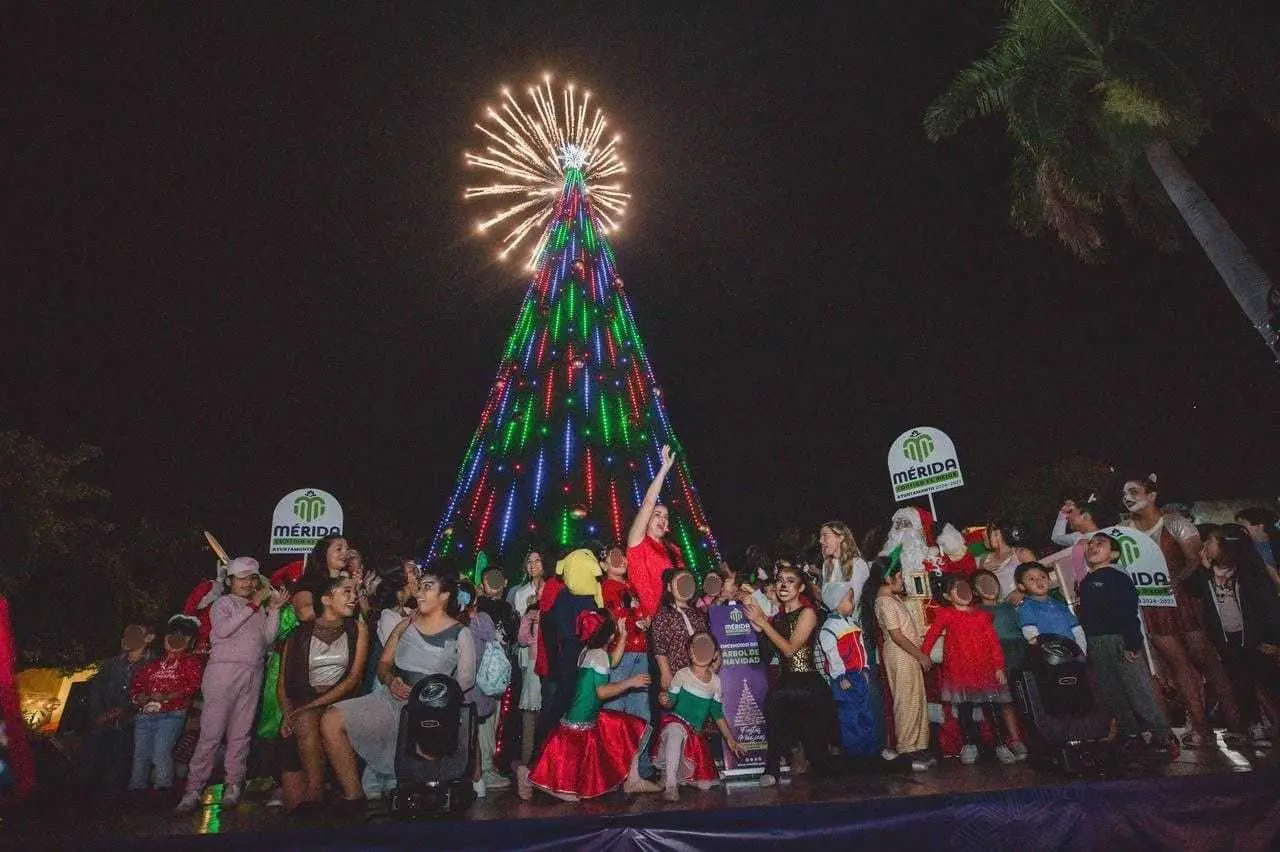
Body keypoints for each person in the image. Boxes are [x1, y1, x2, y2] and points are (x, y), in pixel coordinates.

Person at [321, 560, 476, 812]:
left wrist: (429, 695)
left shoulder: (460, 633)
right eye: (420, 586)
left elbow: (466, 680)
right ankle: (353, 796)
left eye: (427, 587)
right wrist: (391, 680)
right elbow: (384, 665)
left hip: (431, 712)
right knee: (331, 720)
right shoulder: (405, 625)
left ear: (445, 595)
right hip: (391, 699)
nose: (419, 592)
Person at [1121, 474, 1240, 747]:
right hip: (1153, 605)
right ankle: (1200, 728)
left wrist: (1173, 581)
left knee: (1206, 660)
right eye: (1125, 493)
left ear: (1151, 495)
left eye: (1134, 491)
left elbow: (1196, 562)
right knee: (1178, 666)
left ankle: (1237, 724)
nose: (1127, 497)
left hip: (1185, 602)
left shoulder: (1175, 523)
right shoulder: (1125, 530)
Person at [177, 557, 286, 813]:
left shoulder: (258, 609)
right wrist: (253, 605)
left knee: (241, 734)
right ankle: (193, 789)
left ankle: (234, 784)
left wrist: (275, 609)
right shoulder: (222, 604)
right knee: (211, 734)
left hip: (253, 671)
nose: (248, 583)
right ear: (230, 581)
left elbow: (268, 639)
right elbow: (224, 630)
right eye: (242, 578)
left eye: (252, 578)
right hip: (223, 671)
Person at [522, 609, 662, 801]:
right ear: (609, 634)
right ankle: (527, 778)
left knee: (628, 726)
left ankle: (634, 778)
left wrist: (623, 638)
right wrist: (631, 682)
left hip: (587, 719)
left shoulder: (589, 652)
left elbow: (613, 661)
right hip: (579, 725)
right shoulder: (598, 656)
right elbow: (602, 692)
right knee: (566, 789)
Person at [278, 576, 369, 811]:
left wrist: (310, 707)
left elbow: (353, 679)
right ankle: (314, 792)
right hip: (304, 702)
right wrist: (289, 714)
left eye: (355, 592)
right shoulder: (297, 636)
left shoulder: (357, 629)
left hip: (340, 700)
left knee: (311, 717)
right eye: (346, 592)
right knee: (304, 721)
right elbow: (283, 683)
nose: (353, 597)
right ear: (327, 599)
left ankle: (325, 792)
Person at [1076, 532, 1172, 750]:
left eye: (1100, 544)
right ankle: (1130, 733)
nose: (1093, 546)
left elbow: (1127, 610)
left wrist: (1132, 641)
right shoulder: (1086, 581)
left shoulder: (1117, 576)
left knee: (1137, 687)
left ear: (1114, 553)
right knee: (1111, 690)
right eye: (1091, 543)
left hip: (1119, 639)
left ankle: (1162, 734)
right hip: (1096, 642)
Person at [1186, 525, 1280, 744]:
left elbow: (1268, 608)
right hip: (1228, 638)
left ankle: (1269, 726)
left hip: (1255, 639)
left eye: (1210, 541)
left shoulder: (1250, 574)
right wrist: (1202, 568)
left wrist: (1272, 639)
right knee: (1239, 683)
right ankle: (1252, 726)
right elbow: (1192, 589)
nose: (1205, 545)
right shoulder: (1208, 573)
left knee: (1265, 682)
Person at [745, 562, 834, 787]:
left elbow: (789, 649)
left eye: (790, 581)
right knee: (774, 704)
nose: (783, 585)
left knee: (823, 765)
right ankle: (771, 770)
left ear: (801, 588)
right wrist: (759, 627)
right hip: (787, 682)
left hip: (809, 684)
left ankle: (891, 764)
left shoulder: (808, 613)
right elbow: (767, 652)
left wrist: (763, 624)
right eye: (780, 581)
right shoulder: (779, 618)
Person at [921, 576, 1021, 765]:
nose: (963, 591)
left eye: (965, 587)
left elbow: (993, 643)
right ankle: (969, 744)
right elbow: (932, 635)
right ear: (948, 596)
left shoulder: (982, 616)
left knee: (992, 708)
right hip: (960, 672)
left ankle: (1001, 745)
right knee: (965, 711)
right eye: (957, 588)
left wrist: (998, 667)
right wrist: (924, 655)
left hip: (985, 671)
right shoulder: (947, 615)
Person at [653, 631, 744, 802]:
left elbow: (717, 714)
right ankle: (671, 785)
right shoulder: (681, 674)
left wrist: (731, 741)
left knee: (706, 785)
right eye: (697, 647)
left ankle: (679, 777)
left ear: (715, 654)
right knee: (675, 730)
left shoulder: (716, 682)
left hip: (694, 736)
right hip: (676, 725)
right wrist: (664, 699)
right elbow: (670, 702)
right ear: (689, 651)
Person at [127, 616, 202, 796]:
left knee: (161, 750)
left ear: (190, 641)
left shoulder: (190, 663)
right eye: (172, 634)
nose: (175, 639)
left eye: (183, 635)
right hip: (145, 715)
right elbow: (136, 685)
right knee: (140, 753)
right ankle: (137, 788)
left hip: (172, 714)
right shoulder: (152, 665)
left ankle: (163, 787)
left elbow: (192, 686)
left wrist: (168, 695)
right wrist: (140, 697)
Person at [871, 559, 933, 769]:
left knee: (915, 697)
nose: (902, 580)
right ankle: (906, 748)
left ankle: (918, 746)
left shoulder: (892, 599)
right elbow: (896, 635)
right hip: (900, 654)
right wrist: (921, 655)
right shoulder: (884, 601)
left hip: (907, 654)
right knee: (906, 699)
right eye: (898, 576)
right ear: (888, 578)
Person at [599, 544, 654, 776]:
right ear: (603, 565)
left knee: (641, 712)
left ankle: (639, 768)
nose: (621, 560)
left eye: (622, 556)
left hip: (640, 652)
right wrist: (634, 620)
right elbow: (614, 618)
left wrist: (646, 620)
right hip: (620, 655)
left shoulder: (632, 586)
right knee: (615, 712)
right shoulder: (605, 588)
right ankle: (614, 769)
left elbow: (641, 612)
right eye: (614, 557)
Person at [84, 623, 156, 794]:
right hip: (102, 724)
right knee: (90, 768)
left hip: (132, 725)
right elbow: (96, 689)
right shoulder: (112, 664)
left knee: (118, 770)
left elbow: (150, 695)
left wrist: (123, 710)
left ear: (149, 638)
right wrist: (98, 714)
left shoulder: (154, 666)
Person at [818, 579, 878, 758]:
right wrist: (840, 676)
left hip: (860, 675)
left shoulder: (851, 623)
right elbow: (832, 655)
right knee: (849, 716)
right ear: (837, 603)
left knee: (865, 713)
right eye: (849, 599)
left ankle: (869, 751)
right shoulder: (829, 628)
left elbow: (861, 648)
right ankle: (854, 754)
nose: (852, 603)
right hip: (844, 678)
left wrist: (866, 668)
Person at [972, 568, 1028, 758]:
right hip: (997, 655)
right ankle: (1015, 739)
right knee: (1006, 699)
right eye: (983, 584)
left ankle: (1034, 734)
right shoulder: (977, 611)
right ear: (975, 591)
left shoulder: (1009, 606)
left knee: (1026, 694)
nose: (988, 586)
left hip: (1020, 650)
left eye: (991, 581)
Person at [626, 444, 682, 620]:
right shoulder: (638, 542)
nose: (662, 519)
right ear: (647, 520)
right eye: (657, 515)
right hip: (651, 620)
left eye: (665, 517)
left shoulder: (674, 550)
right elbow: (648, 503)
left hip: (676, 618)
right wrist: (664, 470)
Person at [651, 568, 710, 697]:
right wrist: (665, 672)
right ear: (669, 587)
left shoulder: (699, 615)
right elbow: (659, 647)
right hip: (676, 676)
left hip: (699, 676)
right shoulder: (664, 615)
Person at [1042, 499, 1107, 605]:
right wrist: (1062, 514)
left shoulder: (1106, 536)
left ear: (1086, 516)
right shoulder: (1078, 537)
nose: (1068, 517)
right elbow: (1057, 537)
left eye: (1072, 513)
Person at [1015, 563, 1087, 652]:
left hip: (1072, 653)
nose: (1039, 581)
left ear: (1049, 581)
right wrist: (1048, 652)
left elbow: (1077, 630)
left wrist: (1081, 651)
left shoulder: (1060, 605)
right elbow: (1031, 635)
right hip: (1051, 657)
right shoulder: (1027, 607)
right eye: (1031, 579)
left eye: (1043, 577)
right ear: (1021, 586)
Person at [292, 535, 350, 624]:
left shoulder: (349, 581)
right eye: (339, 549)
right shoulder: (308, 581)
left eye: (347, 550)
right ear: (324, 552)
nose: (345, 554)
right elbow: (304, 613)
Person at [1234, 507, 1280, 591]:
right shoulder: (1242, 549)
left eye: (1243, 525)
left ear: (1259, 526)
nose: (1241, 529)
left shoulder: (1277, 544)